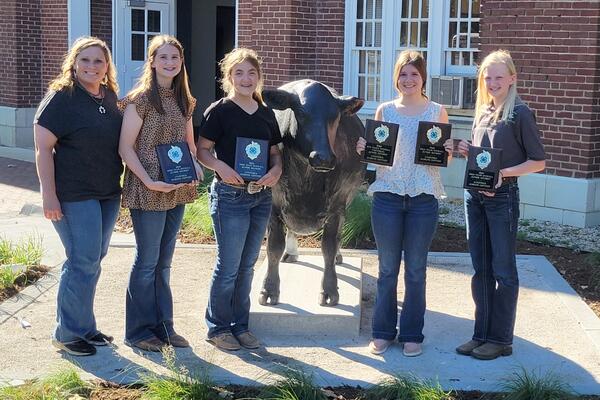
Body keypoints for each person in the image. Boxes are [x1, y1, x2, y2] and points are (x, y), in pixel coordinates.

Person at [356, 50, 452, 357]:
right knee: (386, 269)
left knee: (415, 270)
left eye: (414, 73)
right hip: (387, 198)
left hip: (423, 199)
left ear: (423, 77)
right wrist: (364, 148)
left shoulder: (437, 111)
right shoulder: (385, 110)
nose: (408, 79)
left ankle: (412, 333)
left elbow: (442, 159)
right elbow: (376, 156)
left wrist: (448, 149)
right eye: (403, 73)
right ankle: (382, 332)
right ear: (395, 77)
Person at [34, 36, 123, 356]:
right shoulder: (62, 97)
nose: (91, 66)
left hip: (108, 193)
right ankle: (67, 333)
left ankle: (84, 327)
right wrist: (49, 196)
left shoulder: (110, 96)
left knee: (92, 261)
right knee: (82, 261)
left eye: (98, 61)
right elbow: (43, 149)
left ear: (106, 66)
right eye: (85, 60)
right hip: (74, 194)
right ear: (73, 63)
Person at [455, 50, 545, 360]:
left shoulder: (520, 113)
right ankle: (480, 335)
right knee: (481, 269)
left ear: (511, 78)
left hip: (503, 199)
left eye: (498, 76)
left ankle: (501, 339)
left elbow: (538, 162)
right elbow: (484, 158)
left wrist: (503, 174)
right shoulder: (483, 111)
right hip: (475, 198)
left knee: (503, 270)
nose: (492, 82)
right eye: (487, 77)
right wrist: (467, 149)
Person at [119, 35, 202, 352]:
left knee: (164, 263)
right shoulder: (140, 100)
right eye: (163, 57)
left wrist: (194, 166)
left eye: (175, 58)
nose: (170, 63)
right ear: (152, 62)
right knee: (147, 261)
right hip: (147, 188)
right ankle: (138, 332)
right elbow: (125, 148)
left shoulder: (186, 101)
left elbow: (190, 144)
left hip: (176, 188)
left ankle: (164, 327)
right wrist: (150, 182)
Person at [197, 48, 283, 351]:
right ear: (228, 77)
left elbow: (275, 154)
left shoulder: (265, 112)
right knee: (229, 265)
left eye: (251, 73)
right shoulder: (219, 111)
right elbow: (202, 150)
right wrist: (220, 166)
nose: (246, 79)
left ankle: (240, 326)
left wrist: (276, 171)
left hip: (260, 197)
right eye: (239, 73)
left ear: (259, 76)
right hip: (230, 196)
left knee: (248, 265)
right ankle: (218, 328)